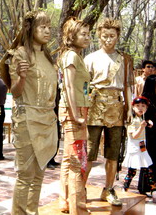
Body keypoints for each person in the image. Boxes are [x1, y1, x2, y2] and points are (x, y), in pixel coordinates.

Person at [8, 11, 57, 215]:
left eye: (48, 27)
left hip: (47, 119)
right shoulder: (20, 54)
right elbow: (15, 91)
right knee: (25, 174)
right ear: (31, 29)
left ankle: (32, 211)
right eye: (42, 26)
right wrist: (21, 77)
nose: (47, 31)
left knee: (39, 174)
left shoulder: (47, 56)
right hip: (27, 118)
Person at [84, 18, 134, 207]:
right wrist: (83, 107)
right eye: (104, 36)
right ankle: (82, 187)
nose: (108, 40)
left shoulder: (125, 59)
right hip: (94, 106)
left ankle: (109, 188)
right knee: (89, 152)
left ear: (118, 36)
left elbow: (129, 85)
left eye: (112, 36)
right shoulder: (90, 58)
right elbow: (84, 86)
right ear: (98, 36)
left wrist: (129, 109)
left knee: (113, 153)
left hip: (116, 107)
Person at [58, 18, 91, 214]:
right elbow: (69, 86)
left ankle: (66, 201)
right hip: (74, 111)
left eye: (88, 34)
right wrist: (76, 114)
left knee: (69, 158)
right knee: (77, 160)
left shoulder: (76, 56)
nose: (87, 37)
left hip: (79, 109)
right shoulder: (71, 56)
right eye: (82, 34)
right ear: (72, 36)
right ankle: (78, 207)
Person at [122, 96, 156, 203]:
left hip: (141, 149)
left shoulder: (141, 118)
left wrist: (146, 123)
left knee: (147, 171)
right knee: (133, 172)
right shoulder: (132, 120)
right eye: (138, 106)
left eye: (143, 106)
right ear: (133, 107)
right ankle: (124, 191)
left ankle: (153, 193)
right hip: (135, 149)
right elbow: (134, 136)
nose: (140, 108)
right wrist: (142, 127)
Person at [137, 75, 156, 195]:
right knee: (149, 162)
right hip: (148, 137)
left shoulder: (154, 99)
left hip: (155, 135)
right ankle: (144, 186)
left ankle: (151, 186)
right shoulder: (145, 100)